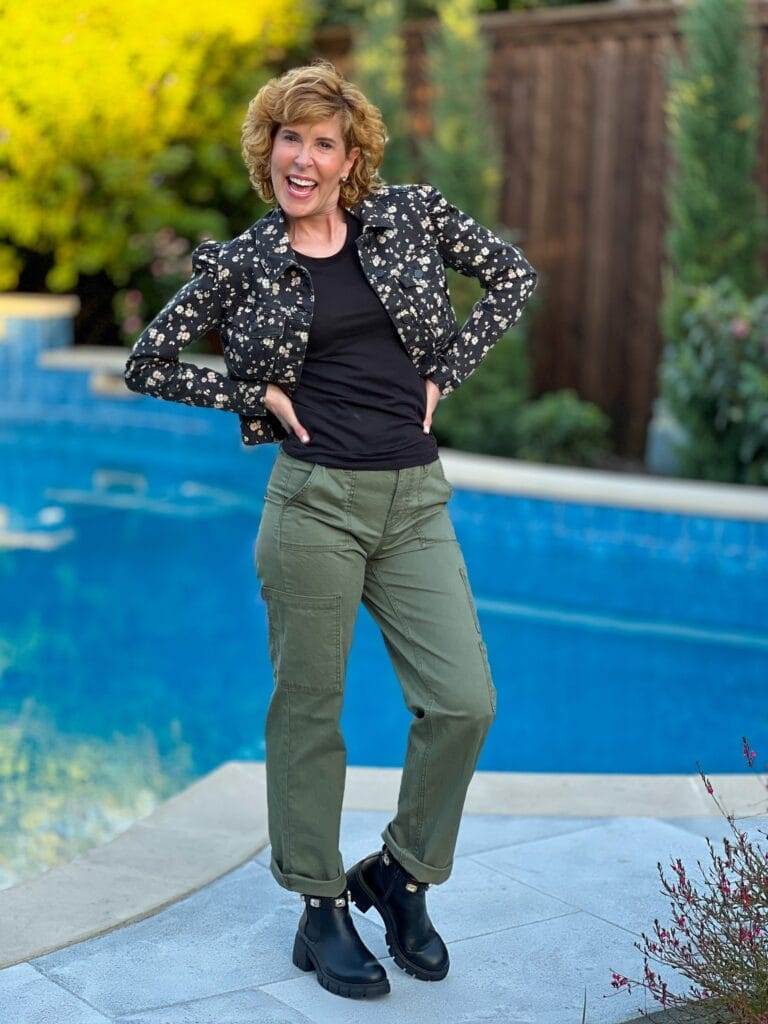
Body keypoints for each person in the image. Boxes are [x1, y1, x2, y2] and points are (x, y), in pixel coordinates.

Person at [124, 57, 538, 1000]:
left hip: (413, 500)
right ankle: (318, 908)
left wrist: (448, 369)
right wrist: (250, 390)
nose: (302, 158)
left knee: (465, 700)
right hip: (312, 504)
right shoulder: (243, 263)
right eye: (288, 138)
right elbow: (147, 359)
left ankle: (398, 873)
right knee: (309, 714)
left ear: (351, 160)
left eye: (322, 142)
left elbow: (510, 278)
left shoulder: (412, 218)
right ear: (266, 151)